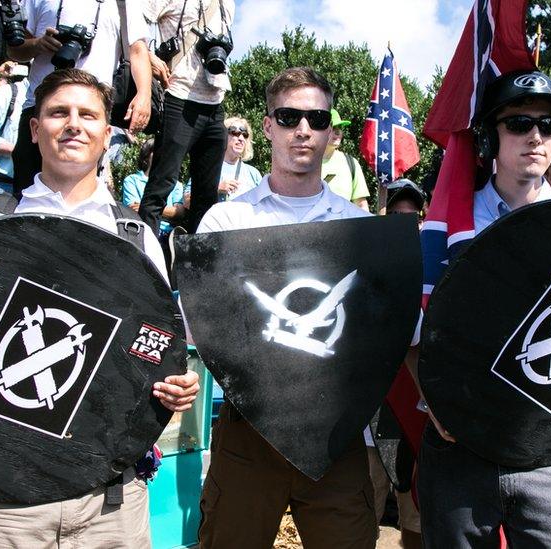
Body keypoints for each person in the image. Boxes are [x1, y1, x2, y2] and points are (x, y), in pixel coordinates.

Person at [0, 68, 198, 548]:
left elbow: (155, 344)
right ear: (34, 129)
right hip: (5, 500)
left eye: (89, 115)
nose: (74, 124)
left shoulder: (136, 236)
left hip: (110, 501)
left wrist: (175, 382)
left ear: (108, 135)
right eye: (59, 112)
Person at [194, 67, 376, 548]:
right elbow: (200, 324)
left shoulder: (359, 225)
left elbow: (381, 329)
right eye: (289, 115)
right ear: (269, 125)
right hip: (247, 427)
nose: (303, 129)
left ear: (331, 132)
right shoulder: (228, 218)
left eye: (316, 118)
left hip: (335, 430)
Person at [411, 69, 551, 549]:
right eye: (518, 123)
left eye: (548, 125)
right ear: (491, 136)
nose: (535, 135)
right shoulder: (449, 225)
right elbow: (416, 329)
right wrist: (437, 404)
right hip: (460, 448)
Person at [7, 0, 153, 196]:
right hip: (42, 108)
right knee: (26, 191)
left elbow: (137, 50)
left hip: (92, 113)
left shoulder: (124, 3)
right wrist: (38, 44)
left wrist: (144, 94)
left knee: (80, 192)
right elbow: (14, 49)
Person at [140, 0, 234, 235]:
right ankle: (144, 259)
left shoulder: (227, 3)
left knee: (207, 195)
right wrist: (149, 57)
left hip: (215, 103)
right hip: (179, 97)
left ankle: (198, 261)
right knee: (161, 184)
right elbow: (134, 25)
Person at [122, 138, 187, 258]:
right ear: (147, 155)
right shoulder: (132, 181)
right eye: (157, 150)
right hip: (140, 233)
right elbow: (133, 210)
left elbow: (179, 213)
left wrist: (148, 207)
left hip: (168, 238)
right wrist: (167, 211)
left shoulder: (177, 185)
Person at [321, 108, 370, 210]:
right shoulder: (305, 163)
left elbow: (361, 204)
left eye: (340, 127)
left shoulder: (351, 163)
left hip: (344, 226)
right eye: (333, 127)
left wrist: (366, 225)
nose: (338, 132)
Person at [214, 115, 262, 201]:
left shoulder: (254, 174)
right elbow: (187, 202)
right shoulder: (208, 169)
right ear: (223, 136)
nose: (241, 138)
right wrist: (216, 189)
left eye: (245, 135)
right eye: (235, 133)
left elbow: (263, 204)